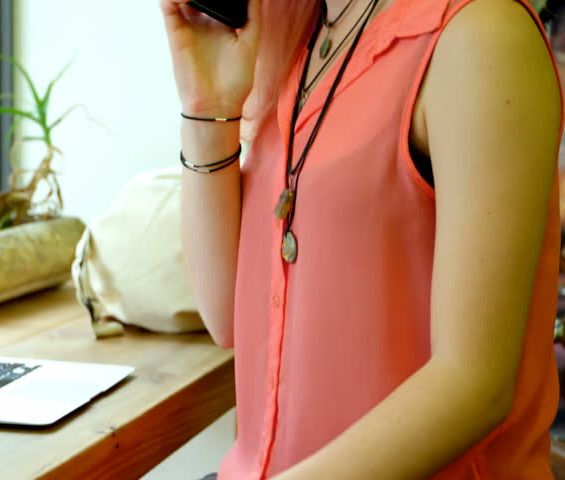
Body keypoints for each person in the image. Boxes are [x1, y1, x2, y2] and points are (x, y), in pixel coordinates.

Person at [161, 0, 563, 478]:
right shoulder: (302, 39)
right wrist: (205, 108)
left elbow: (473, 387)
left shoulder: (482, 35)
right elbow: (226, 315)